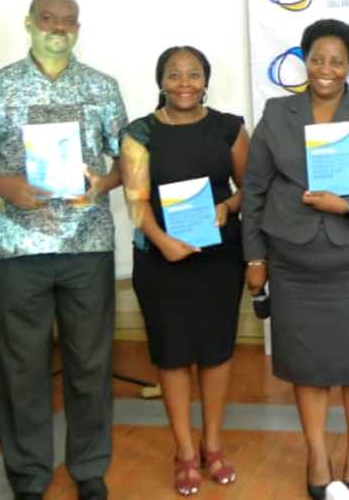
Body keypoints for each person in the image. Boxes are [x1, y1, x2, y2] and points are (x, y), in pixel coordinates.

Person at [0, 0, 127, 500]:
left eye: (68, 21)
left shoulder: (102, 87)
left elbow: (128, 159)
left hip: (88, 244)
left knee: (91, 364)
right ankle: (29, 476)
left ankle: (90, 467)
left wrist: (103, 182)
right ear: (29, 23)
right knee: (20, 367)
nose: (58, 28)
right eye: (48, 19)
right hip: (18, 247)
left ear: (78, 28)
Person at [240, 18, 349, 500]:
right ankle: (317, 452)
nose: (326, 69)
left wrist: (347, 205)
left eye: (337, 60)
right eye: (317, 58)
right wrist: (254, 257)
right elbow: (253, 188)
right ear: (304, 60)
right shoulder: (277, 113)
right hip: (294, 261)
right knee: (305, 363)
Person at [119, 46, 249, 495]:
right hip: (161, 259)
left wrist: (225, 206)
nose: (184, 83)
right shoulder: (139, 133)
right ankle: (185, 452)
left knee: (216, 352)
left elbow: (249, 190)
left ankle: (213, 444)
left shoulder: (229, 128)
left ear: (205, 79)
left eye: (193, 74)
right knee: (172, 355)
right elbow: (135, 202)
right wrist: (162, 242)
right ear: (160, 81)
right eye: (174, 75)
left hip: (218, 258)